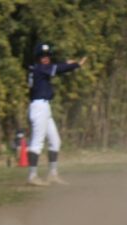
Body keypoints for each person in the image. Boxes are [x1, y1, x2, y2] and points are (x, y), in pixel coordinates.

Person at [26, 43, 86, 186]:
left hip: (44, 107)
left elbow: (55, 66)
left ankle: (52, 174)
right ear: (37, 57)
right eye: (42, 55)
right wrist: (76, 65)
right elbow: (58, 69)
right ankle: (32, 176)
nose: (46, 57)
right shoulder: (40, 68)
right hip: (39, 107)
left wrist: (66, 62)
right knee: (37, 143)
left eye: (47, 55)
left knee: (55, 141)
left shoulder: (39, 68)